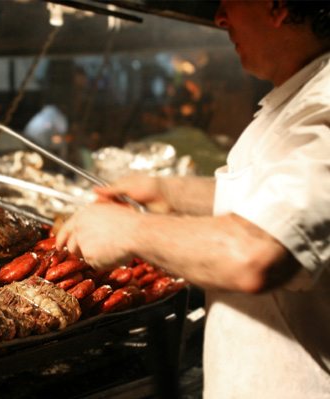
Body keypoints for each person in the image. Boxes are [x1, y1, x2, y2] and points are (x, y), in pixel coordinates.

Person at [55, 1, 330, 398]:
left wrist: (131, 229)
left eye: (228, 2)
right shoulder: (298, 97)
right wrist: (169, 192)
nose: (219, 18)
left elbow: (258, 253)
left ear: (277, 6)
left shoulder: (323, 104)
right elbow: (270, 201)